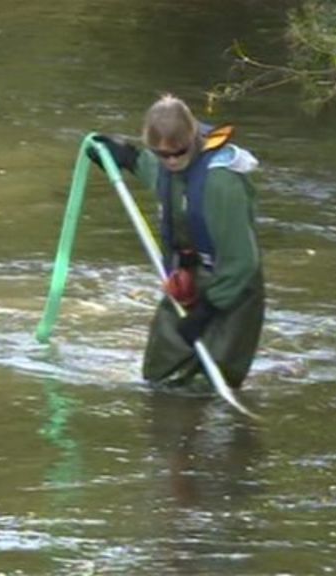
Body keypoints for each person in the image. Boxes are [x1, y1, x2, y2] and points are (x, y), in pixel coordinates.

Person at [88, 94, 265, 396]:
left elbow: (243, 261)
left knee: (212, 383)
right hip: (188, 278)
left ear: (193, 139)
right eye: (161, 155)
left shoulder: (222, 182)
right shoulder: (168, 165)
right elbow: (162, 177)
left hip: (233, 286)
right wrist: (127, 157)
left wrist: (207, 311)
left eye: (177, 154)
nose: (170, 161)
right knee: (160, 373)